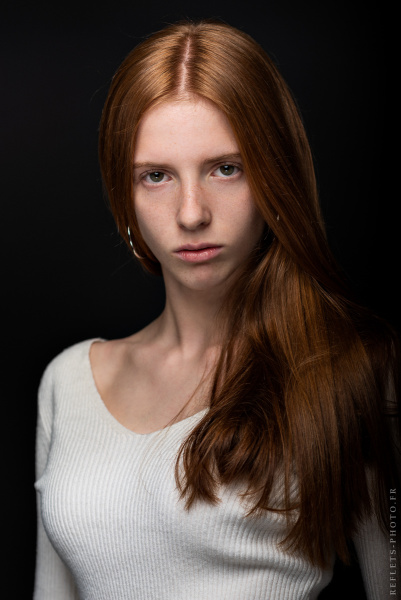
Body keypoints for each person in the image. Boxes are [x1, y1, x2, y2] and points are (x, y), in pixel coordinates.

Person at [34, 20, 400, 600]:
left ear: (275, 176)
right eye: (156, 176)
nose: (191, 213)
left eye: (225, 168)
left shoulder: (354, 372)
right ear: (122, 195)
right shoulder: (67, 382)